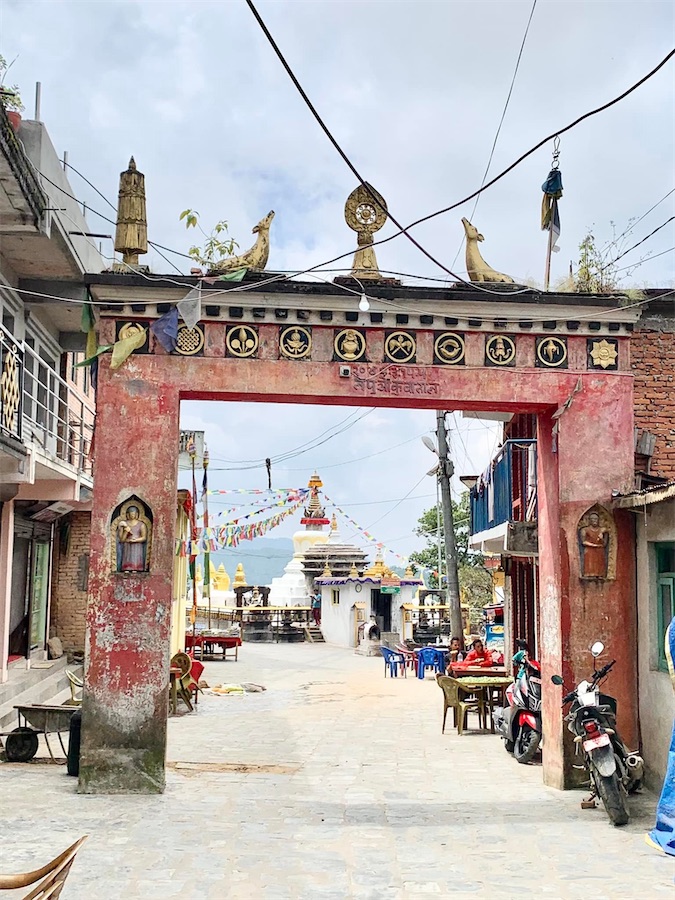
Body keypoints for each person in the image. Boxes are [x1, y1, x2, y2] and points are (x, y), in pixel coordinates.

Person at [117, 505, 148, 573]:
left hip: (137, 545)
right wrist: (126, 531)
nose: (132, 515)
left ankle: (136, 568)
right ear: (127, 514)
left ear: (137, 514)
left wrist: (136, 540)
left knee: (136, 557)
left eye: (134, 514)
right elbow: (121, 539)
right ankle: (126, 567)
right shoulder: (125, 524)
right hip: (127, 544)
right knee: (127, 557)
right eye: (131, 514)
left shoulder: (141, 524)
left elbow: (144, 537)